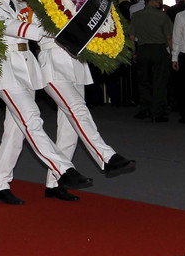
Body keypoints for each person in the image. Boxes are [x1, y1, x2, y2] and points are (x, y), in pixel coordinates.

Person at [0, 0, 93, 205]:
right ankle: (64, 169)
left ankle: (0, 185)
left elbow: (52, 22)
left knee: (15, 131)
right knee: (32, 119)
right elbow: (18, 29)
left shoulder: (25, 6)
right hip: (7, 69)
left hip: (28, 70)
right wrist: (52, 27)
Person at [38, 31, 136, 201]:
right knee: (78, 109)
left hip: (76, 62)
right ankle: (106, 156)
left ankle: (55, 183)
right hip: (53, 62)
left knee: (69, 130)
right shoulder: (34, 5)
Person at [130, 0, 173, 122]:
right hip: (159, 50)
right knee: (159, 82)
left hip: (143, 50)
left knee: (144, 82)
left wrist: (134, 52)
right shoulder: (162, 16)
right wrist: (173, 53)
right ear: (152, 1)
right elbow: (169, 37)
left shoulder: (136, 16)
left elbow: (132, 37)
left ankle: (145, 109)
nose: (160, 2)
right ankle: (158, 112)